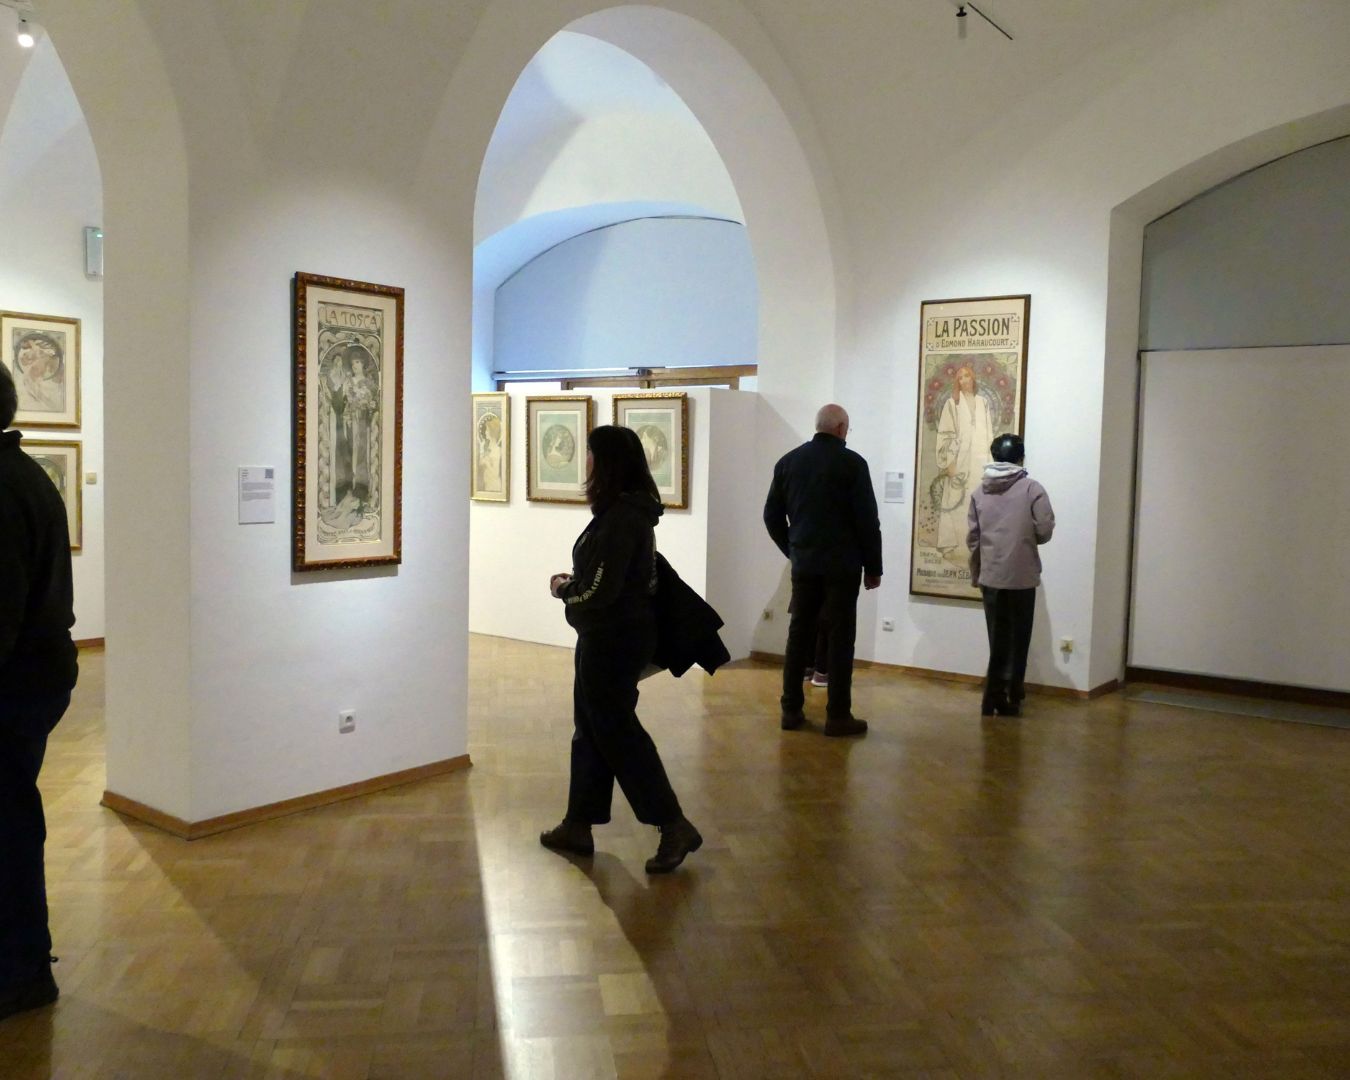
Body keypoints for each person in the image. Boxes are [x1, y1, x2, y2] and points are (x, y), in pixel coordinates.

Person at [540, 425, 702, 874]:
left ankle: (673, 824)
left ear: (607, 463)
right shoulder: (623, 512)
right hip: (607, 637)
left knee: (617, 733)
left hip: (614, 640)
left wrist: (564, 590)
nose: (586, 462)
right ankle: (578, 823)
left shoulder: (623, 518)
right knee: (592, 729)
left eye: (591, 454)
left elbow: (600, 590)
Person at [0, 363, 78, 1021]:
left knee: (7, 828)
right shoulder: (25, 475)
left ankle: (21, 972)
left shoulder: (4, 485)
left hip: (13, 688)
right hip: (33, 678)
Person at [763, 403, 882, 736]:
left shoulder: (788, 462)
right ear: (841, 428)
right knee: (841, 639)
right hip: (843, 567)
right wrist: (873, 567)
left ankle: (790, 710)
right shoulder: (853, 464)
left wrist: (793, 550)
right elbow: (867, 520)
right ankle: (838, 715)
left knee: (798, 635)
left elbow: (771, 516)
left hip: (805, 564)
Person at [966, 432, 1055, 717]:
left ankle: (993, 695)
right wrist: (1026, 538)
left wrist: (977, 572)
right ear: (1021, 457)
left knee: (998, 638)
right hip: (1021, 576)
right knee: (1019, 638)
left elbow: (973, 539)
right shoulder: (1032, 489)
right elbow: (1045, 530)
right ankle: (1012, 693)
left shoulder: (979, 492)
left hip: (991, 576)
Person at [935, 363, 994, 559]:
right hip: (958, 458)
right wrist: (949, 462)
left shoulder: (982, 402)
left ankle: (974, 546)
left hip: (979, 460)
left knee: (976, 499)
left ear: (973, 378)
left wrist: (989, 462)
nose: (964, 380)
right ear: (957, 382)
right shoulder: (952, 404)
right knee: (954, 499)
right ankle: (950, 543)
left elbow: (989, 434)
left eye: (967, 376)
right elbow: (945, 433)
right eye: (960, 378)